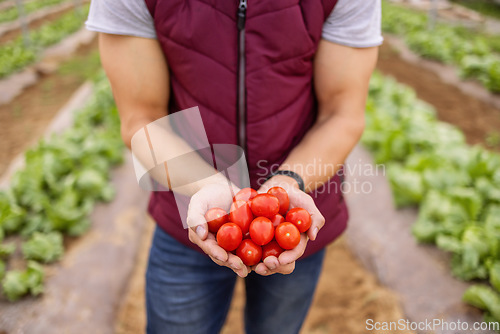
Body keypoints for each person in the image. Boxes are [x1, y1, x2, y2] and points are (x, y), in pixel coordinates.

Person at [86, 0, 382, 333]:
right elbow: (141, 118)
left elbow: (342, 113)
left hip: (292, 222)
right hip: (189, 213)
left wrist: (289, 182)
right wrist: (206, 188)